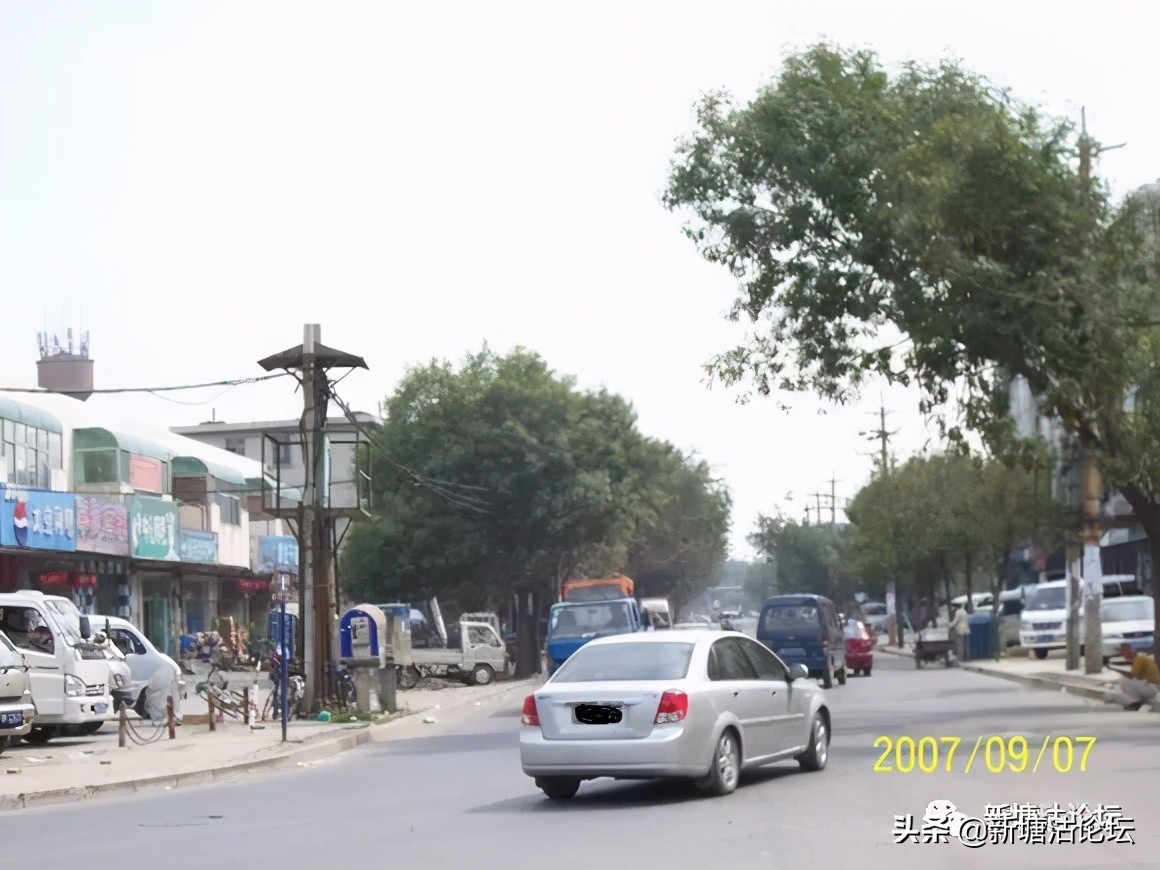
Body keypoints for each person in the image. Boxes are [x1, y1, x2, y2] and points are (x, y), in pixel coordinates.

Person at [1105, 643, 1160, 711]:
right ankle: (1135, 701)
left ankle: (1135, 703)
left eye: (1124, 651)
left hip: (1151, 688)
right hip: (1150, 687)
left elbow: (1132, 676)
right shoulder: (1138, 658)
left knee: (1124, 681)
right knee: (1124, 681)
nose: (1123, 654)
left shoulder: (1140, 659)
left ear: (1130, 650)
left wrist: (1114, 669)